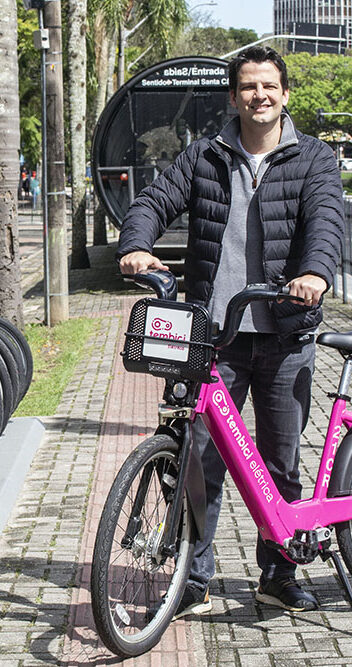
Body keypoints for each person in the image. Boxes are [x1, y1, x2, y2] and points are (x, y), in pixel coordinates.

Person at [117, 46, 343, 616]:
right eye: (247, 87)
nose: (258, 96)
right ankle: (191, 579)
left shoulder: (313, 158)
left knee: (281, 459)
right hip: (215, 333)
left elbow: (325, 222)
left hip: (284, 329)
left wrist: (315, 272)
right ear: (234, 96)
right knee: (199, 460)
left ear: (284, 93)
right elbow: (155, 198)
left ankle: (279, 572)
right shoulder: (205, 155)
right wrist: (138, 244)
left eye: (268, 86)